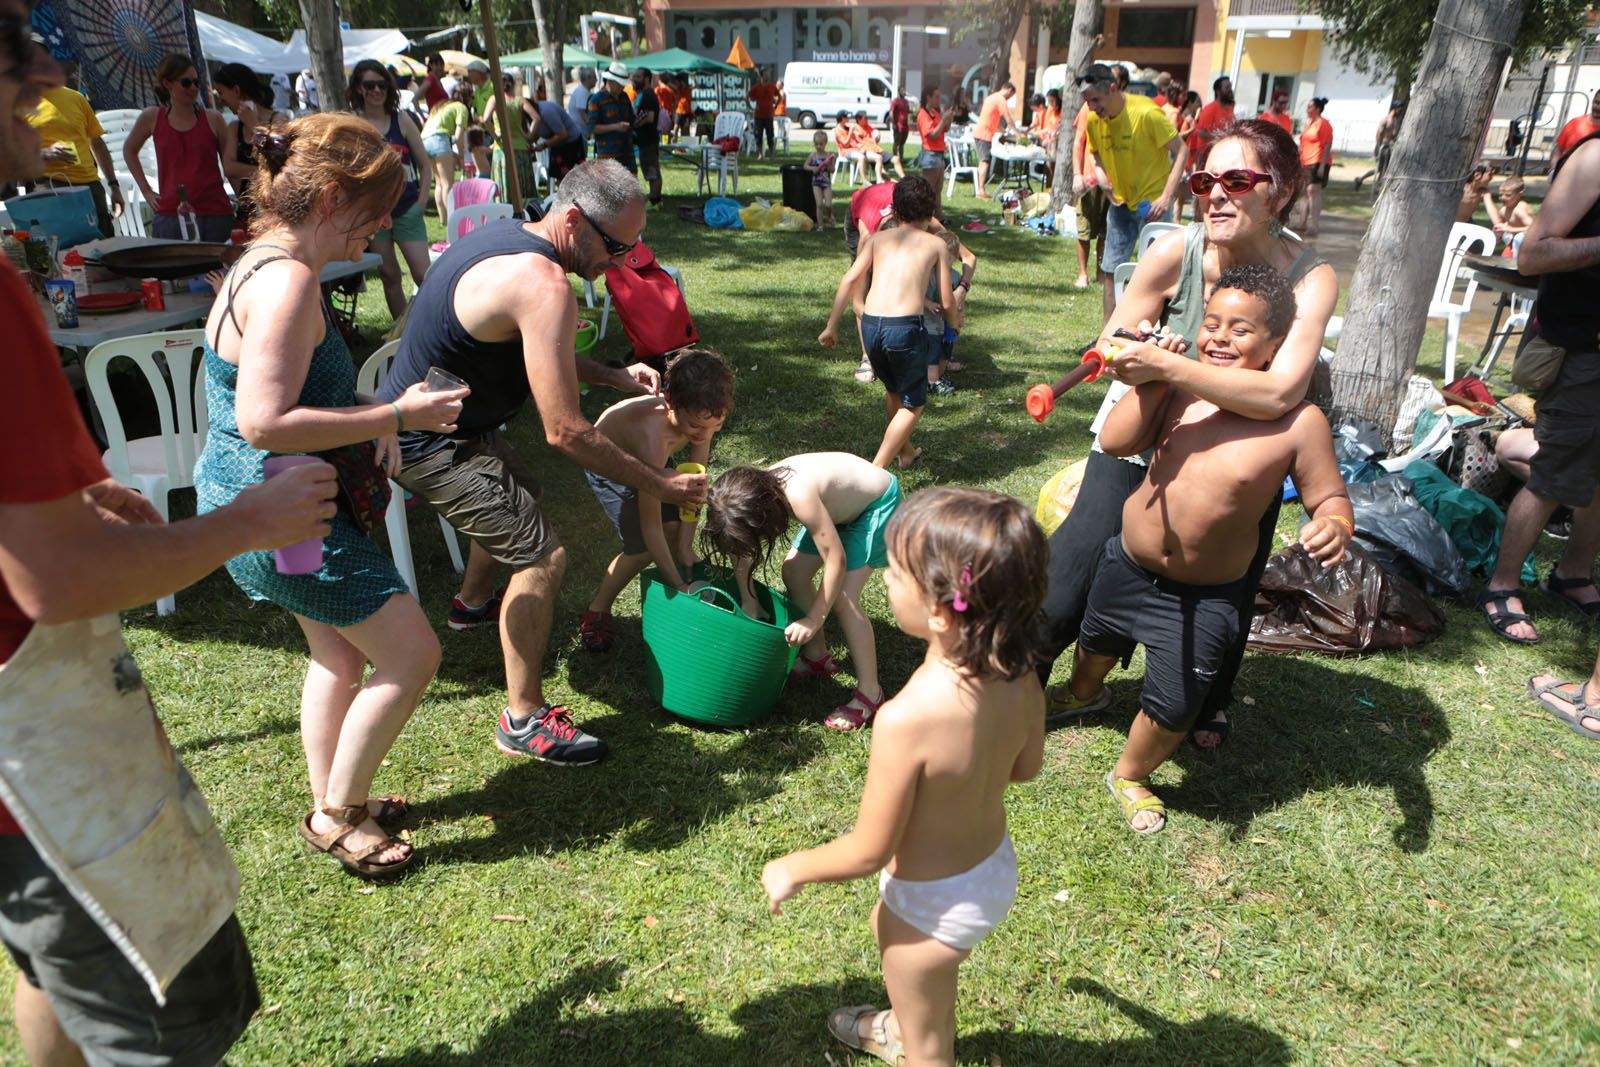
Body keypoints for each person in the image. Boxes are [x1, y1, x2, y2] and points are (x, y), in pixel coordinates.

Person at [0, 18, 336, 1062]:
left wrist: (69, 492)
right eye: (14, 49)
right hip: (33, 770)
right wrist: (245, 523)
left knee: (56, 965)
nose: (49, 68)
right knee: (156, 1019)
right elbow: (56, 580)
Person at [194, 114, 461, 878]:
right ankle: (338, 813)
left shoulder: (262, 260)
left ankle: (335, 797)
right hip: (283, 512)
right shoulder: (286, 282)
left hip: (265, 502)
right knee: (413, 653)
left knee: (338, 657)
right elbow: (265, 420)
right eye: (376, 211)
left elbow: (281, 393)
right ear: (333, 197)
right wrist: (394, 416)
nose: (382, 228)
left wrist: (363, 413)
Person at [375, 160, 704, 765]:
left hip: (449, 424)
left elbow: (535, 346)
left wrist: (609, 375)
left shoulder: (509, 236)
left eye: (633, 249)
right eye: (616, 248)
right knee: (542, 556)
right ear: (574, 220)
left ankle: (471, 603)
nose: (621, 264)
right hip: (426, 440)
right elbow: (566, 433)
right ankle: (523, 719)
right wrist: (660, 482)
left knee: (519, 494)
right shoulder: (545, 283)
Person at [1039, 119, 1339, 752]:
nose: (1216, 194)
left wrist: (1170, 367)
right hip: (1150, 417)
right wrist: (1131, 352)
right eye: (1205, 181)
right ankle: (1020, 678)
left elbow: (1280, 393)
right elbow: (1113, 339)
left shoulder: (1310, 278)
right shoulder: (1177, 250)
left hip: (1242, 449)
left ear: (1281, 191)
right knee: (1071, 570)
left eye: (1238, 180)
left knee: (1230, 580)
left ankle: (1209, 699)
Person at [1060, 265, 1352, 834]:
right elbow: (1115, 441)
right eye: (1211, 324)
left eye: (1240, 330)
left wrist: (1336, 523)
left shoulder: (1298, 423)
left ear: (1275, 347)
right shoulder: (1180, 390)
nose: (1219, 337)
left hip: (1203, 597)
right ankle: (1082, 694)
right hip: (1128, 564)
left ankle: (1130, 773)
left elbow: (1329, 495)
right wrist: (1153, 381)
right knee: (1096, 641)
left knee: (1176, 706)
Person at [761, 487, 1046, 1067]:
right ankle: (910, 1016)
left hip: (930, 903)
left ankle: (910, 1038)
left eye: (894, 572)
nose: (885, 578)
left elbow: (869, 851)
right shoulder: (1020, 674)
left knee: (929, 1043)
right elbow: (1026, 768)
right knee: (901, 948)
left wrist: (793, 867)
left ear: (941, 611)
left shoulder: (906, 719)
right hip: (990, 871)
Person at [1479, 124, 1600, 656]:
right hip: (1581, 349)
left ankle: (1573, 573)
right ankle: (1502, 585)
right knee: (1555, 469)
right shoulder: (1594, 158)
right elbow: (1533, 255)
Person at [701, 453, 902, 730]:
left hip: (876, 504)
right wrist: (748, 599)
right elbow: (741, 550)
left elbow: (836, 560)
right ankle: (817, 655)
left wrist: (813, 619)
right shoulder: (750, 494)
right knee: (794, 572)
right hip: (836, 510)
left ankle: (871, 693)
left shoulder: (799, 496)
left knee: (843, 598)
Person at [578, 349, 734, 650]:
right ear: (670, 402)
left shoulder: (704, 416)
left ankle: (675, 571)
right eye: (696, 427)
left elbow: (695, 483)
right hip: (610, 465)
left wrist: (685, 546)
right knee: (641, 549)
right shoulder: (655, 440)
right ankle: (597, 610)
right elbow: (651, 527)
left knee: (673, 532)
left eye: (715, 427)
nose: (705, 435)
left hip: (651, 460)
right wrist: (678, 585)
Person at [820, 177, 958, 471]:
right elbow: (947, 302)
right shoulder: (936, 244)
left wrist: (831, 326)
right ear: (930, 212)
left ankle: (905, 452)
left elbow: (850, 278)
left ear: (895, 209)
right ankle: (876, 470)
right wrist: (954, 323)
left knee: (894, 391)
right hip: (904, 329)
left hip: (871, 327)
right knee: (914, 404)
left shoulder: (876, 239)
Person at [1078, 62, 1189, 318]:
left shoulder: (1147, 113)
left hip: (1154, 207)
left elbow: (1182, 150)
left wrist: (1166, 197)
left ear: (1113, 88)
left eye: (1095, 100)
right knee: (1111, 271)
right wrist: (1104, 181)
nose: (1091, 107)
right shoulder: (1094, 119)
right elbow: (1095, 153)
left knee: (1158, 275)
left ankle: (1154, 332)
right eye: (1087, 101)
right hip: (1120, 205)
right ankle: (1107, 333)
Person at [346, 61, 430, 320]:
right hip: (373, 214)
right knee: (389, 275)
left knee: (424, 276)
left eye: (381, 85)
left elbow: (425, 164)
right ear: (358, 88)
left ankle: (435, 325)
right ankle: (402, 331)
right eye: (369, 85)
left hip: (407, 209)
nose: (376, 91)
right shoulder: (353, 123)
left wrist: (421, 202)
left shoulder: (401, 119)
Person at [124, 53, 235, 241]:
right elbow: (129, 150)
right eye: (186, 83)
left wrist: (246, 201)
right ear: (167, 84)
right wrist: (146, 190)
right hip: (170, 214)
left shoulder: (213, 119)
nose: (193, 88)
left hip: (214, 212)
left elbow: (230, 166)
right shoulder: (152, 117)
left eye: (196, 83)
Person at [24, 80, 121, 236]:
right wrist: (46, 153)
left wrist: (114, 186)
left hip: (90, 187)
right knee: (60, 248)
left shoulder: (76, 98)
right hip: (49, 187)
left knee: (104, 246)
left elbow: (97, 144)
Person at [213, 62, 286, 228]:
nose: (221, 100)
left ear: (236, 90)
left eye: (221, 92)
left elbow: (280, 161)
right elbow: (229, 168)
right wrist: (265, 173)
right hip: (248, 215)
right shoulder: (234, 128)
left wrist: (255, 126)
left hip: (276, 214)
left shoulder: (278, 120)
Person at [923, 227, 975, 397]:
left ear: (954, 258)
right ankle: (931, 382)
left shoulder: (955, 277)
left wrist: (959, 318)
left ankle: (938, 377)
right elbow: (915, 294)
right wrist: (928, 303)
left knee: (945, 353)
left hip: (946, 323)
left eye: (948, 257)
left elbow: (959, 301)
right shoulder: (926, 273)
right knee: (932, 354)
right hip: (928, 324)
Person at [1071, 99, 1109, 290]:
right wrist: (1077, 174)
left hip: (1113, 181)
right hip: (1089, 179)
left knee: (1107, 229)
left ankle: (1101, 272)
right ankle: (1083, 273)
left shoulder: (1121, 107)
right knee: (1084, 227)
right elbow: (1079, 141)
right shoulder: (1088, 107)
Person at [422, 81, 472, 222]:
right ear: (468, 97)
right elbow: (458, 136)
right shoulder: (461, 107)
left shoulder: (442, 105)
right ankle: (453, 220)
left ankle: (443, 219)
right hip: (439, 139)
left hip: (424, 141)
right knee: (448, 184)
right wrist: (461, 156)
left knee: (439, 183)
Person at [531, 83, 586, 184]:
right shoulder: (534, 117)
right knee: (559, 177)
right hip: (557, 145)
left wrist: (543, 145)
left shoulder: (547, 112)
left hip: (571, 143)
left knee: (571, 178)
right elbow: (539, 132)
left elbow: (562, 134)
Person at [972, 81, 1016, 200]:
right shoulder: (1001, 99)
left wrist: (1003, 131)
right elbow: (1008, 118)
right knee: (985, 161)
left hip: (981, 132)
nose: (1009, 98)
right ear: (1009, 90)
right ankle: (981, 190)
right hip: (984, 134)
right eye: (1010, 96)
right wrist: (1017, 133)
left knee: (983, 161)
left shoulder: (991, 97)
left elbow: (992, 119)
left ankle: (980, 188)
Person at [588, 65, 636, 174]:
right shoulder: (595, 100)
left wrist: (636, 122)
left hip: (627, 153)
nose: (622, 88)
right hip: (608, 155)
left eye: (623, 85)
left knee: (630, 183)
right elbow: (592, 127)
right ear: (610, 81)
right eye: (620, 84)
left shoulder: (624, 97)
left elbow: (631, 119)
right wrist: (616, 127)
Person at [1296, 96, 1333, 236]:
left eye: (1310, 107)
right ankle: (1302, 223)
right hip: (1305, 162)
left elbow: (1327, 144)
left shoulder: (1323, 123)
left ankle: (1314, 225)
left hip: (1318, 161)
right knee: (1303, 192)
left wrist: (1322, 166)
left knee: (1313, 191)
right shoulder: (1309, 123)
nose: (1307, 109)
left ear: (1317, 109)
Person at [916, 86, 954, 214]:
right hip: (930, 155)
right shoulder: (923, 114)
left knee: (938, 189)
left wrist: (949, 118)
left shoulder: (934, 112)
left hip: (939, 155)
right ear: (928, 97)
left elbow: (944, 129)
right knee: (928, 190)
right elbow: (932, 135)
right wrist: (944, 120)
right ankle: (924, 216)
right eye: (936, 96)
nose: (939, 99)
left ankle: (938, 217)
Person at [629, 66, 663, 207]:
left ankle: (655, 201)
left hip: (648, 140)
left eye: (638, 77)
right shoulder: (641, 94)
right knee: (649, 170)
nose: (634, 79)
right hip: (644, 141)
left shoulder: (648, 94)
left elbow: (649, 117)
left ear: (647, 79)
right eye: (634, 76)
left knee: (652, 171)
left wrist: (634, 125)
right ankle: (655, 199)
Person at [1356, 99, 1404, 191]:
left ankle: (1365, 181)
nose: (1400, 111)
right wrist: (1378, 147)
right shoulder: (1385, 120)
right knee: (1381, 169)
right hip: (1382, 147)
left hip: (1389, 148)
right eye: (1399, 109)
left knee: (1382, 169)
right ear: (1394, 108)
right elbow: (1379, 134)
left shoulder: (1395, 120)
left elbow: (1393, 135)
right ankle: (1374, 186)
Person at [1191, 76, 1235, 172]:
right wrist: (1221, 137)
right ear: (1218, 91)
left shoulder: (1229, 109)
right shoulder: (1210, 109)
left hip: (1222, 156)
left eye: (1230, 87)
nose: (1230, 90)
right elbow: (1200, 132)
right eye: (1227, 87)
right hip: (1206, 158)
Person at [1485, 176, 1535, 255]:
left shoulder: (1520, 209)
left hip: (1530, 242)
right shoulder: (1504, 209)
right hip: (1514, 241)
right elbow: (1500, 224)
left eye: (1508, 195)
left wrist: (1511, 229)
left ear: (1519, 194)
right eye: (1501, 195)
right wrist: (1498, 232)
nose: (1503, 198)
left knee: (1519, 237)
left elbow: (1534, 228)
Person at [1552, 89, 1600, 163]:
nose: (1598, 107)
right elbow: (1558, 151)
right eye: (1597, 102)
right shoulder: (1574, 123)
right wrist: (1554, 168)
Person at [805, 130, 838, 227]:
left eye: (821, 144)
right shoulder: (813, 156)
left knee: (828, 205)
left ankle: (830, 217)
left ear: (825, 143)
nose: (818, 146)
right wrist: (813, 168)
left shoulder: (829, 156)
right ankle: (820, 226)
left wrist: (829, 164)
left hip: (826, 183)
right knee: (819, 204)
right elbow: (805, 166)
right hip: (816, 183)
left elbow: (832, 170)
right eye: (816, 144)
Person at [856, 109, 900, 178]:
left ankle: (904, 178)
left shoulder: (868, 127)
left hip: (877, 150)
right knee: (879, 160)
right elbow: (858, 144)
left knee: (896, 159)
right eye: (865, 118)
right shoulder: (855, 129)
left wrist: (877, 136)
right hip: (869, 152)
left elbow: (876, 138)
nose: (867, 119)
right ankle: (885, 179)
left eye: (867, 118)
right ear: (859, 120)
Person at [748, 67, 780, 159]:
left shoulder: (772, 86)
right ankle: (760, 154)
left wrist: (775, 106)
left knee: (770, 135)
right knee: (758, 135)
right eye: (766, 74)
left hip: (769, 115)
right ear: (762, 75)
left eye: (768, 74)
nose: (768, 75)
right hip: (758, 115)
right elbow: (747, 97)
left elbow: (779, 97)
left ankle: (771, 154)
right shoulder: (756, 87)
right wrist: (751, 107)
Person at [568, 65, 597, 143]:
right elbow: (583, 114)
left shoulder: (585, 91)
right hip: (580, 133)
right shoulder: (582, 92)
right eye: (594, 77)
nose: (596, 80)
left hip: (582, 132)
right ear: (588, 78)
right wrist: (593, 128)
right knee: (588, 150)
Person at [889, 85, 911, 167]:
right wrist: (894, 124)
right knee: (896, 142)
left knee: (902, 143)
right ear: (899, 92)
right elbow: (891, 112)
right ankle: (895, 158)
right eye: (902, 90)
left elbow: (908, 111)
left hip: (905, 126)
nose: (904, 92)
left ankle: (901, 159)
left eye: (904, 90)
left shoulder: (906, 101)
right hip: (898, 126)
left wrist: (914, 111)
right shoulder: (895, 101)